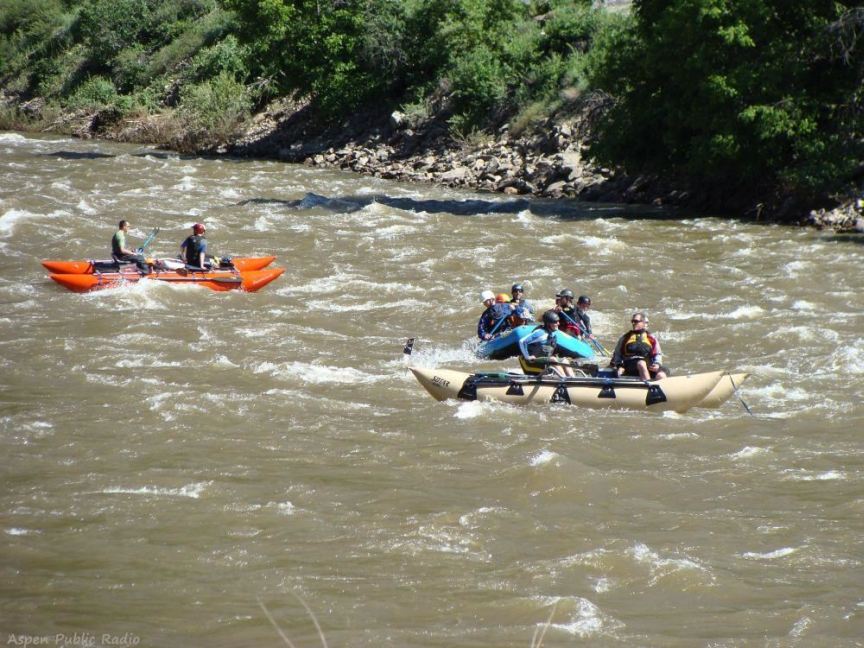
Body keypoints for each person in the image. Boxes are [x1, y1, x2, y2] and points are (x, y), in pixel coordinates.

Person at [517, 310, 576, 377]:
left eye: (558, 321)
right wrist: (527, 356)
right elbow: (522, 341)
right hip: (530, 362)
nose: (558, 323)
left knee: (564, 360)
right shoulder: (540, 333)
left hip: (543, 361)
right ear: (548, 324)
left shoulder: (552, 333)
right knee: (552, 359)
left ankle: (573, 380)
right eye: (555, 322)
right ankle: (564, 380)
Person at [610, 312, 668, 380]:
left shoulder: (651, 338)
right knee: (641, 363)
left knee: (661, 375)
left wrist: (657, 364)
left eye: (636, 321)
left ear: (643, 322)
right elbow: (617, 354)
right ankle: (648, 386)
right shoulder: (625, 338)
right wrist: (619, 366)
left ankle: (662, 388)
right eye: (632, 321)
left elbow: (657, 354)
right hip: (630, 365)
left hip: (647, 365)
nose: (633, 323)